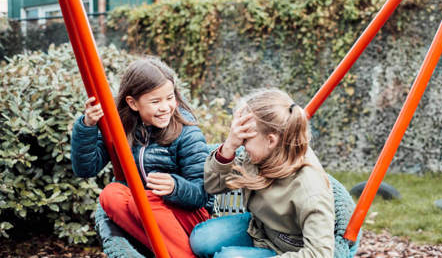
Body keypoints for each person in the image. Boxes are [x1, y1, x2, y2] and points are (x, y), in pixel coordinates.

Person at [71, 58, 211, 258]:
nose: (165, 107)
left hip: (188, 215)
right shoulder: (121, 128)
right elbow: (86, 169)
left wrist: (175, 187)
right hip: (148, 216)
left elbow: (202, 194)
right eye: (155, 101)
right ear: (132, 103)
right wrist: (87, 126)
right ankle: (167, 252)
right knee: (111, 195)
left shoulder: (186, 133)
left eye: (169, 98)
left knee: (141, 200)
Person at [190, 89, 335, 257]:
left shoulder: (310, 190)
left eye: (245, 139)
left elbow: (320, 254)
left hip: (289, 250)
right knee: (201, 239)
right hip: (260, 229)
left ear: (271, 140)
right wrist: (229, 146)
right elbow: (213, 186)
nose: (242, 144)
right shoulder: (263, 154)